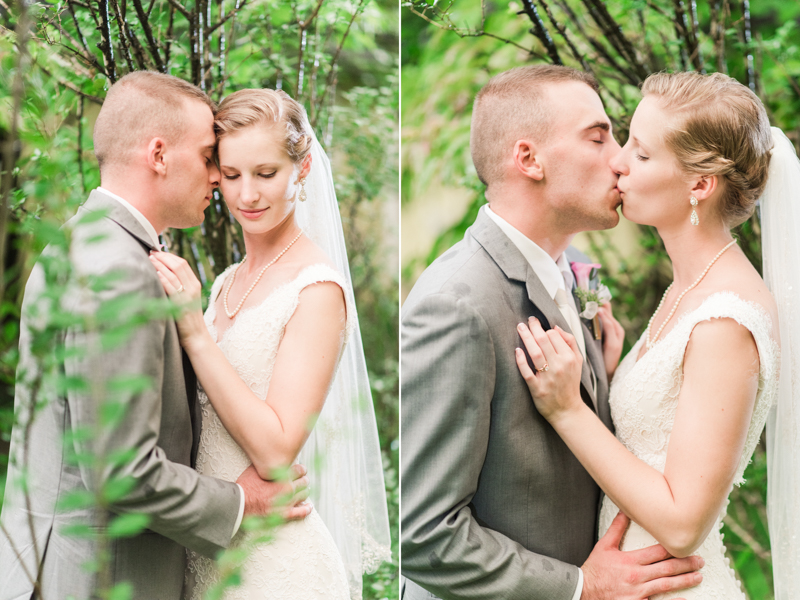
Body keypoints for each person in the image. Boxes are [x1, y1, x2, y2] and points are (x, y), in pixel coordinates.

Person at [0, 71, 311, 600]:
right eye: (208, 155)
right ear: (160, 155)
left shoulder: (81, 241)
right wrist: (241, 502)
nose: (217, 176)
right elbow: (121, 470)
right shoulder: (119, 272)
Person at [400, 64, 704, 600]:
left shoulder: (578, 265)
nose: (619, 158)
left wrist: (601, 378)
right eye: (598, 136)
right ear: (528, 159)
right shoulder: (456, 305)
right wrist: (581, 587)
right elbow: (422, 537)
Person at [516, 71, 793, 598]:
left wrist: (568, 409)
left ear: (699, 185)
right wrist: (613, 375)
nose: (618, 161)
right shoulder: (691, 286)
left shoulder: (725, 320)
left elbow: (684, 523)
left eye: (641, 155)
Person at [149, 88, 391, 600]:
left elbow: (279, 449)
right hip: (212, 548)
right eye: (232, 176)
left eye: (266, 174)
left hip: (277, 566)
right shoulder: (224, 283)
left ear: (301, 170)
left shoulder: (317, 289)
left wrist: (193, 330)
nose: (248, 195)